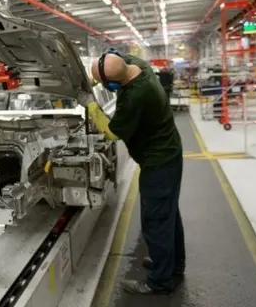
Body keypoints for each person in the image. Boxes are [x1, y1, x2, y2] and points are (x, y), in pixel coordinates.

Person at [78, 50, 185, 295]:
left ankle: (159, 281)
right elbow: (114, 58)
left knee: (155, 220)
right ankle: (171, 265)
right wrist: (93, 77)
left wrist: (91, 105)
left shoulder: (137, 96)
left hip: (158, 163)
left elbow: (113, 132)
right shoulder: (139, 66)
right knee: (168, 215)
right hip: (168, 154)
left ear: (114, 85)